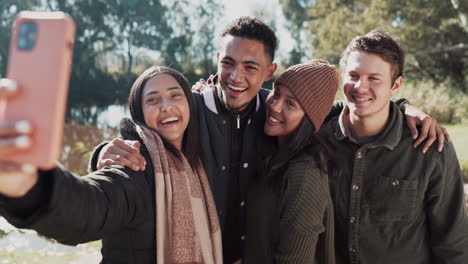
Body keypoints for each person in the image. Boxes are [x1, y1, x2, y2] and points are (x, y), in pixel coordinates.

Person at [90, 17, 451, 263]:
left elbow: (349, 103)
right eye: (228, 63)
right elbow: (147, 126)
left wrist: (404, 108)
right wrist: (105, 151)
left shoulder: (303, 166)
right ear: (216, 62)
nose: (236, 77)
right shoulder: (198, 108)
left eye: (250, 67)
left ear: (268, 70)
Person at [0, 66, 223, 264]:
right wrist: (30, 185)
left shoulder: (201, 161)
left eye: (176, 96)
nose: (166, 106)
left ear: (190, 105)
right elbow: (88, 208)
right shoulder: (134, 165)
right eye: (153, 100)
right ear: (139, 114)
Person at [319, 29, 468, 263]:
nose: (360, 87)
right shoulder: (318, 138)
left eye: (374, 78)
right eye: (354, 75)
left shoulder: (430, 147)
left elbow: (453, 242)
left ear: (396, 85)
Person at [244, 60, 339, 264]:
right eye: (276, 93)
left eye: (291, 103)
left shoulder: (305, 173)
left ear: (309, 119)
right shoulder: (273, 154)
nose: (275, 106)